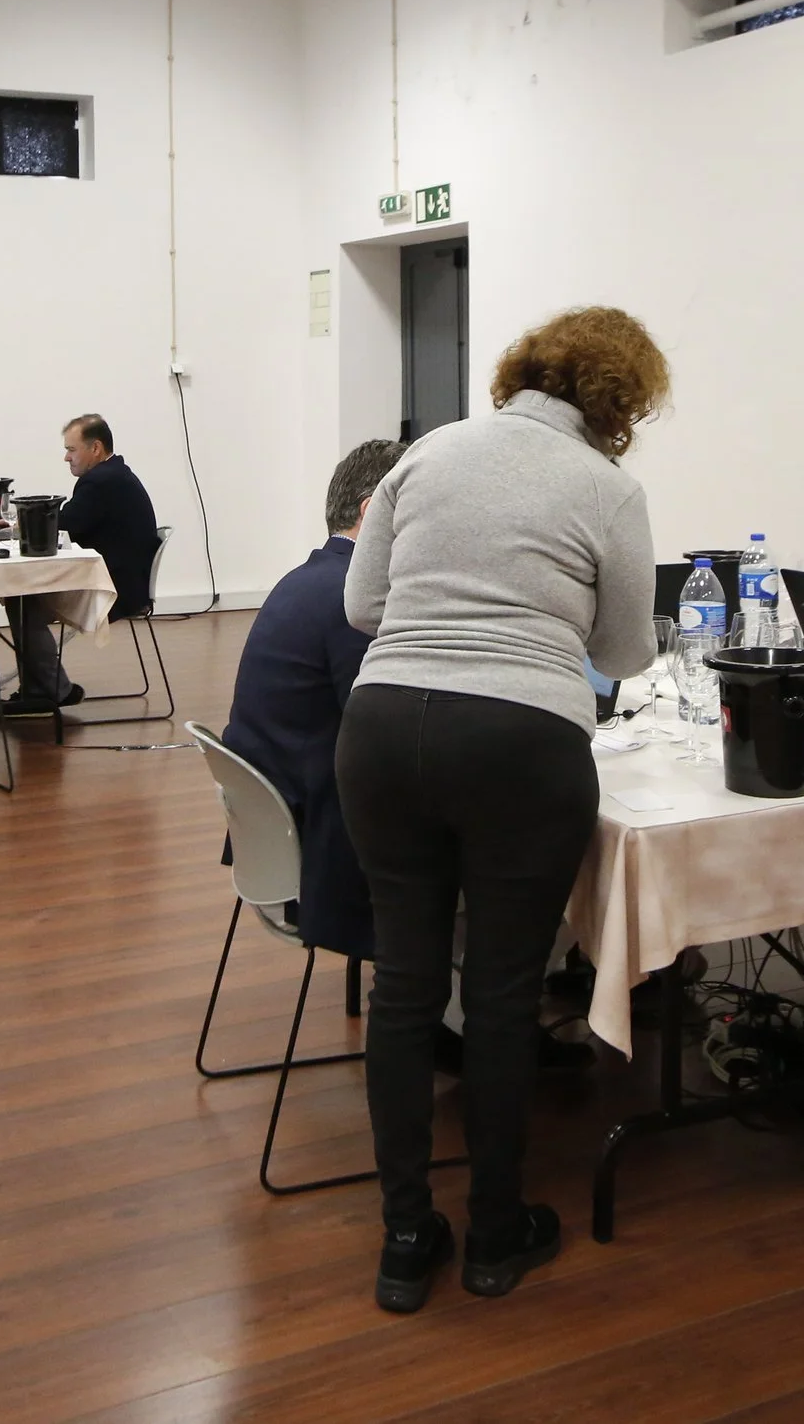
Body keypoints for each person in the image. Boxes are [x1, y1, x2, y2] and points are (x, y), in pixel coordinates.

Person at [336, 306, 666, 1313]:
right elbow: (624, 656)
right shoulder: (608, 489)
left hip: (386, 727)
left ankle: (403, 1238)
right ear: (617, 404)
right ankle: (493, 1231)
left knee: (403, 982)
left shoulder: (429, 453)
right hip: (523, 742)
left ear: (521, 371)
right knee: (502, 992)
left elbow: (360, 605)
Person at [223, 439, 408, 958]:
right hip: (324, 843)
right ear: (375, 512)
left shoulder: (307, 578)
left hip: (281, 825)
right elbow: (384, 727)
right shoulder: (352, 598)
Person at [7, 414, 161, 709]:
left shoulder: (101, 481)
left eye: (72, 449)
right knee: (23, 597)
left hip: (116, 590)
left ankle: (48, 691)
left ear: (96, 448)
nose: (66, 457)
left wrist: (14, 528)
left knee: (22, 599)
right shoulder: (114, 475)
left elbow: (62, 527)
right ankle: (42, 687)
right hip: (125, 581)